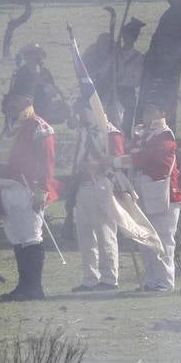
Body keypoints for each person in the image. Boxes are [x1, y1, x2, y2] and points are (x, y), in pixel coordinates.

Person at [0, 78, 59, 301]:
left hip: (27, 190)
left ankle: (34, 288)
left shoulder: (40, 127)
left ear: (28, 100)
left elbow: (46, 163)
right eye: (10, 100)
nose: (11, 104)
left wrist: (42, 191)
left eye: (16, 100)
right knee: (17, 238)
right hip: (7, 189)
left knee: (30, 238)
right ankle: (23, 286)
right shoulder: (10, 126)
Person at [118, 93, 181, 292]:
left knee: (163, 239)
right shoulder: (144, 134)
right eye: (146, 110)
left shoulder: (164, 134)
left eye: (152, 110)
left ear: (162, 113)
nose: (147, 114)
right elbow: (134, 154)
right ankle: (151, 280)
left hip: (164, 194)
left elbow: (147, 159)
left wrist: (115, 161)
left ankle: (164, 282)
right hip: (146, 193)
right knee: (146, 238)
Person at [68, 95, 125, 292]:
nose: (80, 115)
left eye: (83, 110)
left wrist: (97, 165)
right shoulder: (83, 132)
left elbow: (118, 161)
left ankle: (109, 278)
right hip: (83, 186)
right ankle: (90, 278)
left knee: (105, 233)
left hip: (102, 185)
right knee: (85, 234)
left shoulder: (110, 132)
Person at [10, 43, 70, 126]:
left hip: (44, 104)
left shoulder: (45, 72)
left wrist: (61, 97)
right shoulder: (21, 72)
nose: (31, 57)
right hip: (25, 106)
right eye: (29, 54)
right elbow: (16, 92)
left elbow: (52, 88)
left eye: (34, 54)